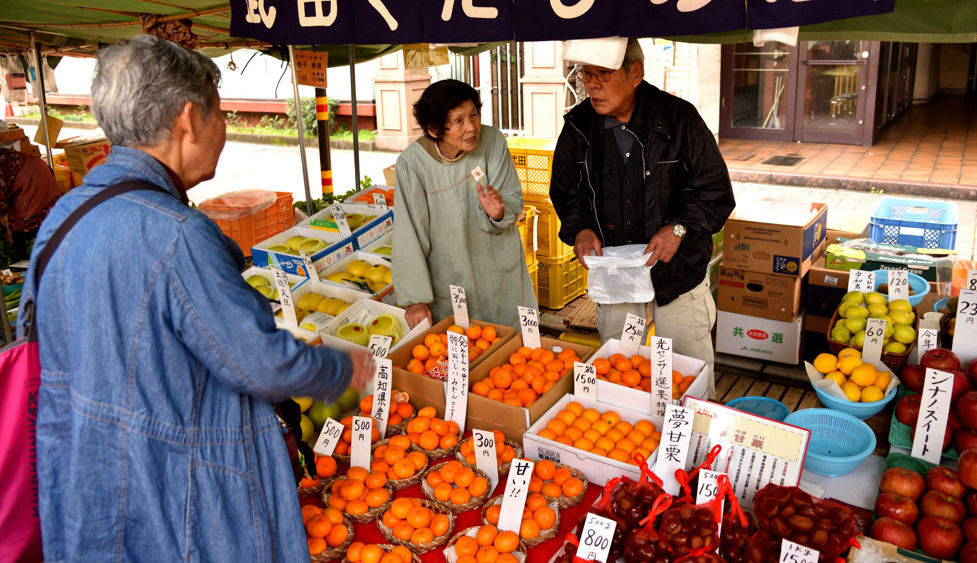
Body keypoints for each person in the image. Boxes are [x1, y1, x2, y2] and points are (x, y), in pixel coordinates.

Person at [20, 35, 372, 561]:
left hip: (83, 488)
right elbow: (260, 365)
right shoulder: (178, 232)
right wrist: (342, 368)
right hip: (174, 498)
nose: (223, 129)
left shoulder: (64, 216)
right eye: (221, 114)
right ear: (189, 119)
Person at [550, 37, 735, 399]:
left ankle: (697, 443)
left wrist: (678, 229)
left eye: (603, 74)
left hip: (677, 269)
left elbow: (715, 193)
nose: (592, 85)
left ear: (635, 73)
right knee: (618, 368)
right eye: (586, 74)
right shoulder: (578, 126)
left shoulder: (680, 120)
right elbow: (566, 192)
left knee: (688, 372)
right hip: (615, 269)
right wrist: (580, 229)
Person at [392, 79, 536, 328]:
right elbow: (409, 233)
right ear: (435, 129)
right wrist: (415, 300)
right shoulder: (412, 164)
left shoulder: (492, 141)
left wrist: (499, 213)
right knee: (463, 347)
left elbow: (512, 197)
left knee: (513, 350)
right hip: (450, 275)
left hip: (496, 267)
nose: (472, 127)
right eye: (459, 121)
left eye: (474, 115)